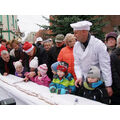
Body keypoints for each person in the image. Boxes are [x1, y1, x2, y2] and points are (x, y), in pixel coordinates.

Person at [70, 20, 113, 97]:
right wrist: (79, 76)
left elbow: (105, 66)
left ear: (84, 32)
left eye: (76, 33)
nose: (74, 35)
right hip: (84, 82)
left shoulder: (98, 45)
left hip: (98, 82)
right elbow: (77, 63)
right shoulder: (76, 46)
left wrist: (108, 85)